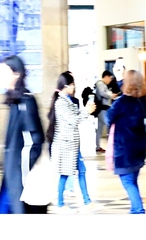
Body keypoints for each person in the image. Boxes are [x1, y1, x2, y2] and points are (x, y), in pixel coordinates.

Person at [0, 55, 45, 214]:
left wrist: (22, 169)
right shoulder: (15, 101)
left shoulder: (26, 101)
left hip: (20, 176)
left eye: (3, 72)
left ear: (16, 74)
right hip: (12, 174)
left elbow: (35, 139)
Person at [47, 71, 95, 212]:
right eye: (72, 84)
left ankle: (87, 201)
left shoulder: (67, 100)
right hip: (65, 144)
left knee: (82, 170)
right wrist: (86, 111)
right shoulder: (60, 103)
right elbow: (73, 120)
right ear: (66, 85)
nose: (74, 87)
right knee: (65, 174)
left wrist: (86, 111)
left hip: (73, 144)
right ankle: (60, 204)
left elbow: (76, 117)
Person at [107, 69, 146, 214]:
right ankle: (134, 208)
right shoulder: (141, 102)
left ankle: (138, 210)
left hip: (124, 150)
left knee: (127, 181)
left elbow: (108, 118)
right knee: (133, 180)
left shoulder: (122, 102)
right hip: (138, 149)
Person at [94, 70, 116, 152]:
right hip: (102, 109)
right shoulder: (100, 84)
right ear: (106, 77)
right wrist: (111, 96)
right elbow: (103, 93)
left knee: (100, 129)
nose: (110, 80)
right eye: (109, 78)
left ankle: (98, 146)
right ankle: (110, 145)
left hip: (103, 109)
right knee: (109, 124)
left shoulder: (103, 85)